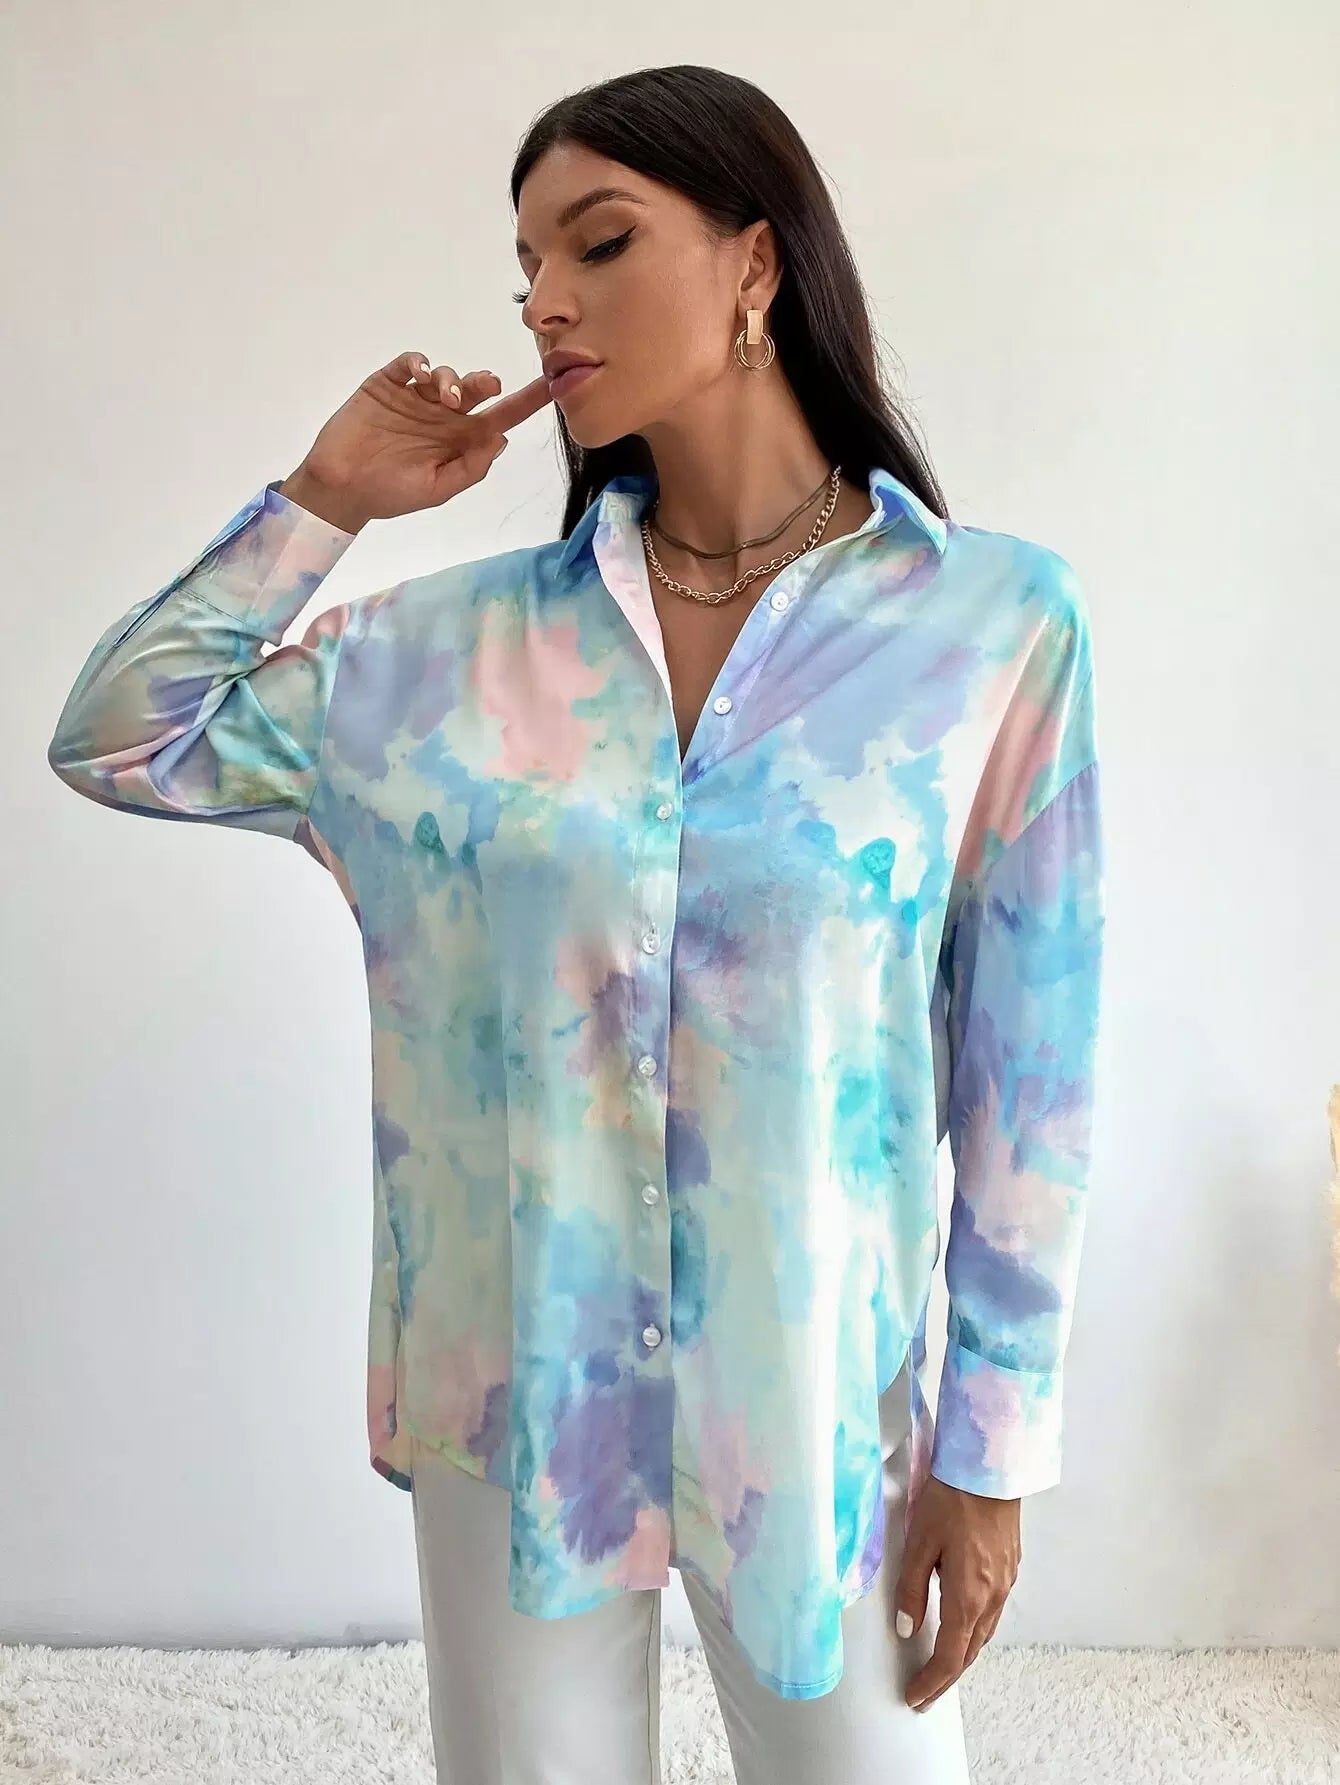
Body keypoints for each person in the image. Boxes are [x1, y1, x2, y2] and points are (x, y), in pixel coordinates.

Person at [46, 62, 1105, 1785]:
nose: (544, 300)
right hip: (518, 1396)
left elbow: (1029, 1081)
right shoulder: (445, 659)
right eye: (525, 264)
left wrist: (991, 1451)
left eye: (598, 244)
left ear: (756, 262)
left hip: (813, 1406)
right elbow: (120, 732)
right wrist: (326, 495)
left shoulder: (989, 628)